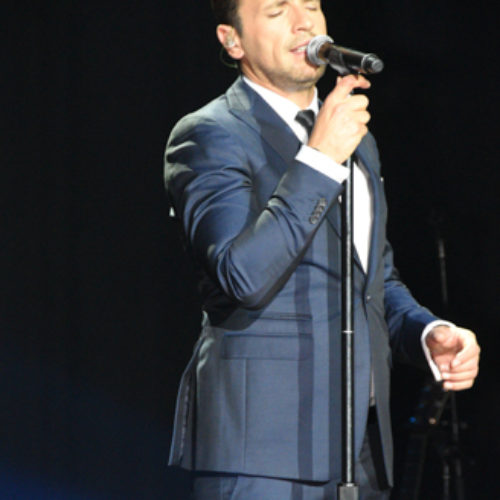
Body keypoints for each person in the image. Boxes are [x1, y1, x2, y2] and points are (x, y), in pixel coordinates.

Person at [164, 1, 480, 498]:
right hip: (262, 454)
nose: (304, 21)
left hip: (361, 448)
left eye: (311, 4)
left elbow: (373, 279)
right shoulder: (211, 134)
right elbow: (241, 275)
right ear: (232, 40)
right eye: (277, 10)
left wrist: (427, 332)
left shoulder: (357, 138)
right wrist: (319, 159)